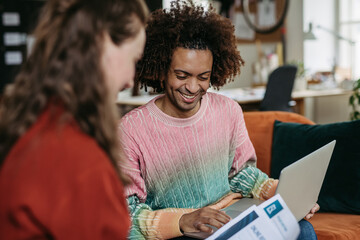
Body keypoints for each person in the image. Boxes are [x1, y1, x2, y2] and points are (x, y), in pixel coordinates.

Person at [118, 1, 319, 239]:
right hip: (180, 233)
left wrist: (279, 192)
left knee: (302, 229)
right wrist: (182, 221)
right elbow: (126, 213)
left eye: (203, 77)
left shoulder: (228, 111)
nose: (192, 87)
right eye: (181, 75)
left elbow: (241, 174)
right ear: (162, 69)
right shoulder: (131, 129)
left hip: (228, 220)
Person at [0, 0, 148, 239]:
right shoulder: (78, 160)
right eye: (134, 60)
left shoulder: (40, 125)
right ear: (102, 44)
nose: (131, 80)